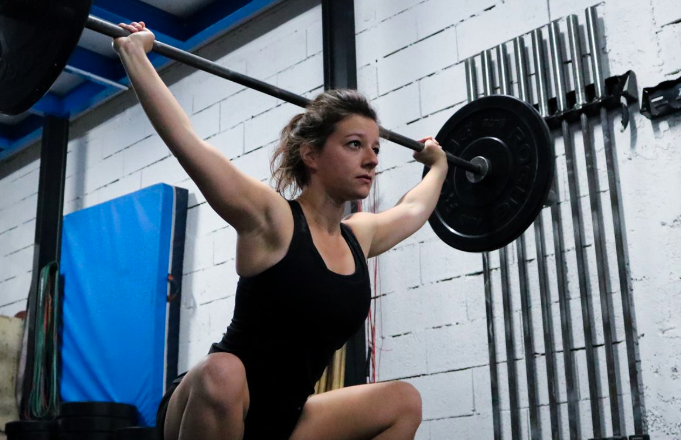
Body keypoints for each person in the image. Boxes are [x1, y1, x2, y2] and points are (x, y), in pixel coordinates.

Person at [113, 21, 448, 440]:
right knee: (224, 370)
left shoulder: (358, 237)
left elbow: (415, 207)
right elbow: (189, 142)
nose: (372, 160)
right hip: (212, 404)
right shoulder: (271, 219)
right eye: (354, 145)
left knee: (403, 401)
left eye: (376, 148)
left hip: (286, 419)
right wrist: (135, 55)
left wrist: (439, 166)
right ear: (311, 154)